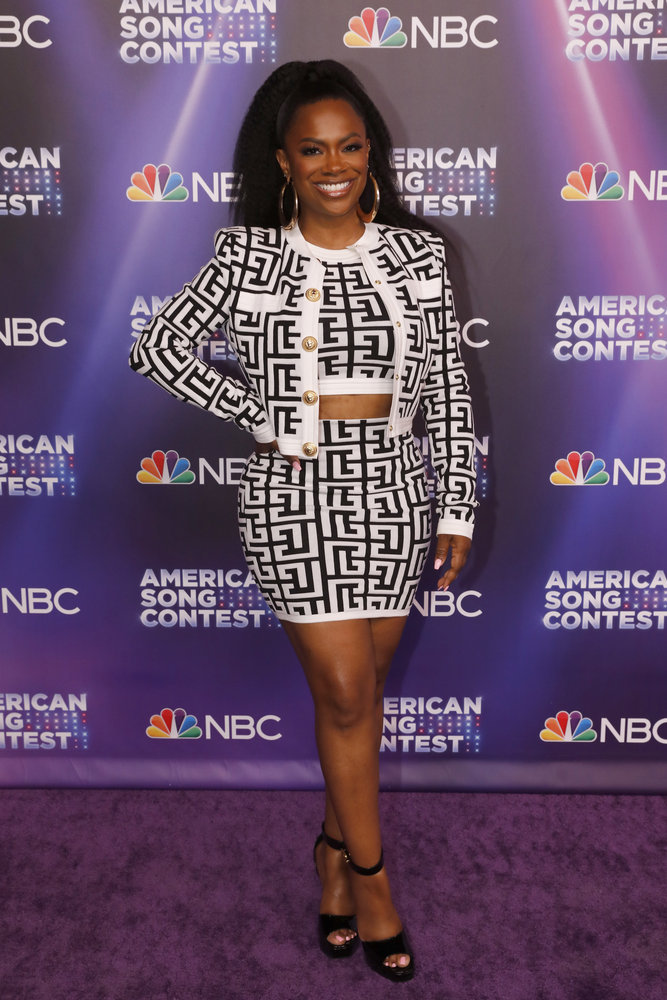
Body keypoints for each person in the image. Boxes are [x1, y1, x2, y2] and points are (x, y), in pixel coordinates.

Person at [129, 59, 477, 983]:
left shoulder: (418, 257)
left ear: (371, 154)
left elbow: (446, 388)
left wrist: (455, 503)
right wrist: (263, 415)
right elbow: (158, 347)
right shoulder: (248, 256)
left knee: (362, 691)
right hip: (294, 495)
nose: (334, 165)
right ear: (282, 162)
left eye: (349, 146)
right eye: (312, 150)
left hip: (395, 489)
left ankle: (328, 852)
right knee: (348, 695)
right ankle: (371, 881)